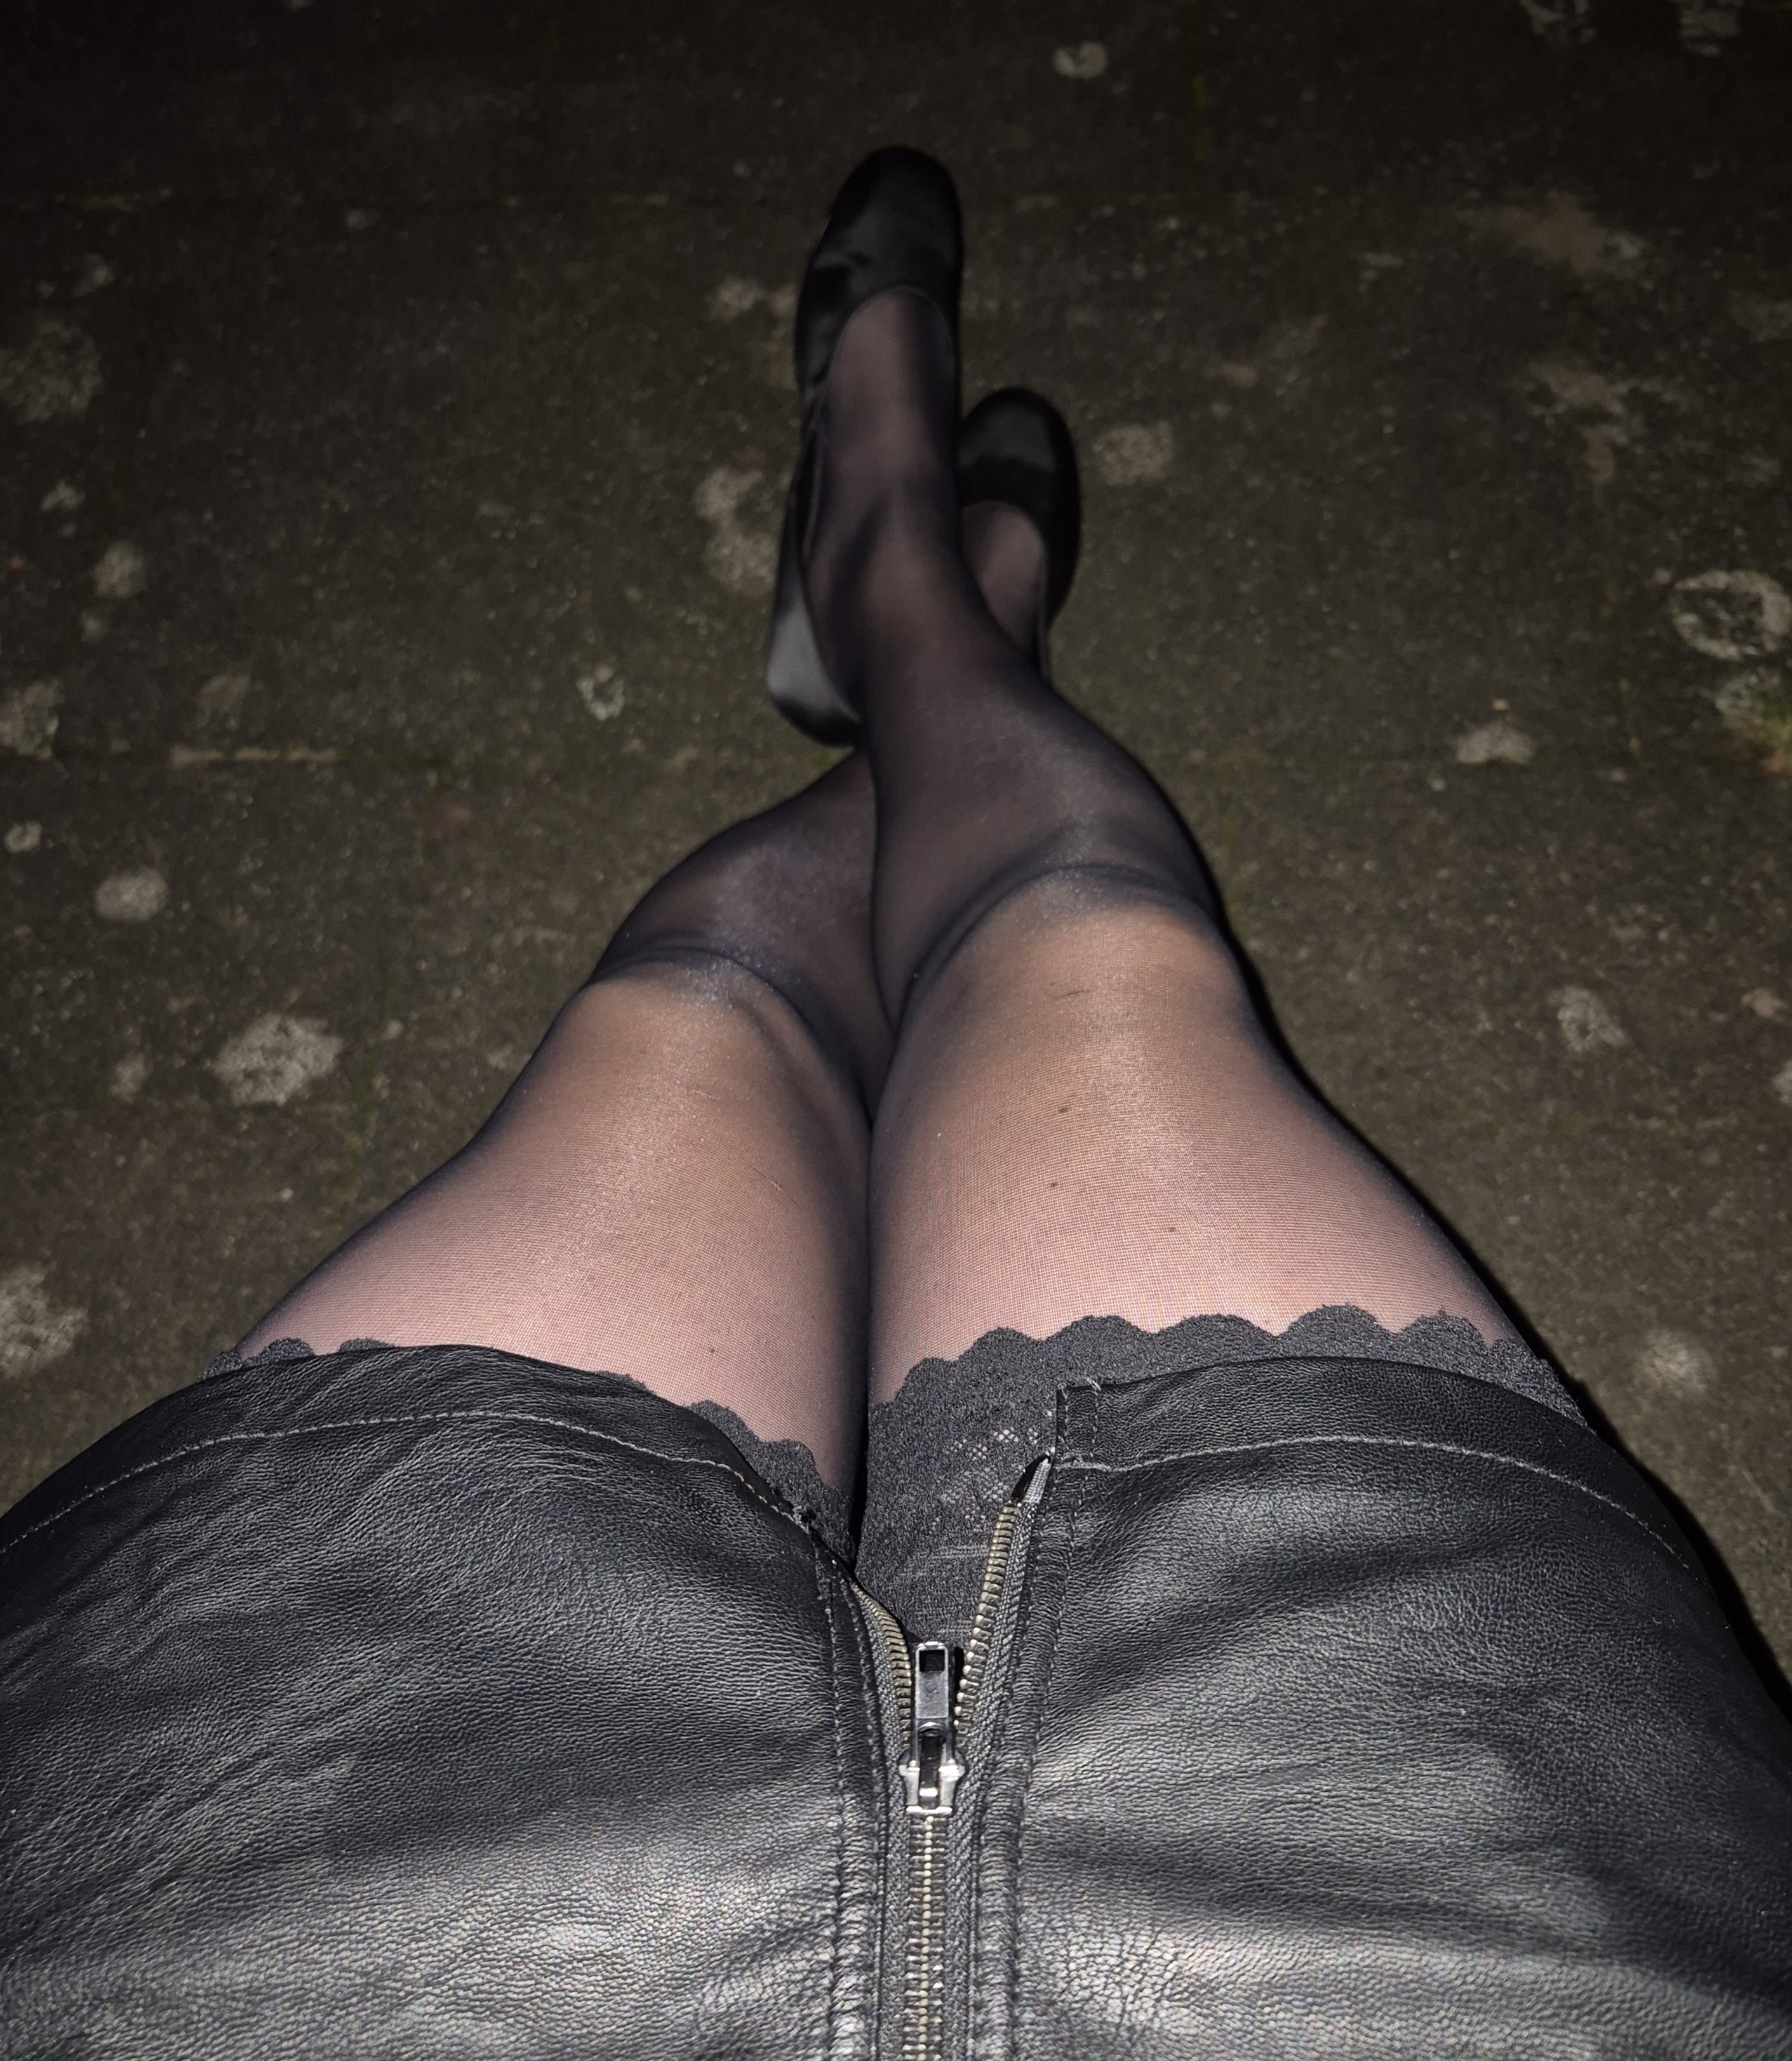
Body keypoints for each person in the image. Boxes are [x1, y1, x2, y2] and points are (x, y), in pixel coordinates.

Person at [2, 149, 1788, 2059]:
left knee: (709, 1019)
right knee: (1092, 953)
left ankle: (914, 591)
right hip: (1452, 1894)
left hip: (259, 1894)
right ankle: (927, 608)